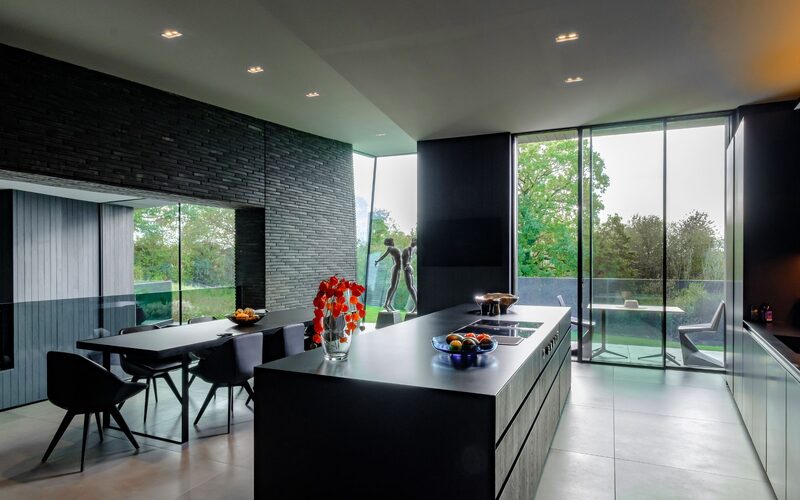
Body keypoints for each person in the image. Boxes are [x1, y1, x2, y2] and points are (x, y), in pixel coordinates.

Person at [375, 238, 401, 311]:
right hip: (396, 268)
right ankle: (385, 304)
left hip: (398, 269)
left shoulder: (394, 248)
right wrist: (377, 261)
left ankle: (389, 304)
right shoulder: (390, 248)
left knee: (395, 287)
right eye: (392, 241)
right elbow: (384, 256)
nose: (393, 241)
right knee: (392, 286)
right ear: (390, 242)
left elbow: (395, 259)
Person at [402, 238, 418, 313]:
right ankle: (416, 305)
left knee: (410, 287)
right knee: (412, 287)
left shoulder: (410, 250)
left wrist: (407, 266)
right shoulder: (410, 250)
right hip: (409, 268)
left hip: (407, 269)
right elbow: (407, 260)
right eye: (413, 240)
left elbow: (407, 261)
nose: (413, 242)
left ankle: (416, 305)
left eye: (415, 241)